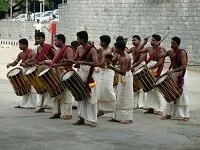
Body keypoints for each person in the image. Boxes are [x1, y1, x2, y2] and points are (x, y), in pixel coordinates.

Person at [43, 34, 74, 120]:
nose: (54, 42)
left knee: (66, 94)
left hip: (65, 73)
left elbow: (70, 62)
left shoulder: (68, 48)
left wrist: (57, 65)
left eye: (55, 40)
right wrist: (48, 62)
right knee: (57, 93)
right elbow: (54, 62)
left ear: (60, 40)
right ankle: (57, 112)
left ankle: (68, 114)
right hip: (57, 73)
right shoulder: (57, 50)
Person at [73, 31, 98, 127]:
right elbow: (75, 59)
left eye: (78, 39)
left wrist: (83, 62)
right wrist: (68, 60)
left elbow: (96, 63)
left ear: (82, 39)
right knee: (81, 94)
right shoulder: (79, 48)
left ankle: (93, 120)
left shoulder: (92, 50)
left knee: (91, 96)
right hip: (82, 72)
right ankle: (81, 118)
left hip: (90, 74)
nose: (77, 40)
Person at [160, 37, 189, 121]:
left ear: (178, 44)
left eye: (174, 44)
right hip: (173, 73)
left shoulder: (182, 52)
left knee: (181, 94)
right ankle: (168, 114)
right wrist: (158, 47)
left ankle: (185, 115)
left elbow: (184, 66)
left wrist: (173, 71)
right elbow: (158, 56)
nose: (172, 45)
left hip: (182, 74)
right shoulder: (170, 52)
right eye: (171, 43)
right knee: (170, 92)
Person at [139, 34, 166, 114]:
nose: (152, 42)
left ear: (158, 42)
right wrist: (144, 42)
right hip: (149, 68)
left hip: (155, 70)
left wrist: (150, 69)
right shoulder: (149, 48)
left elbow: (160, 62)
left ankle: (160, 109)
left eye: (154, 40)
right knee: (150, 88)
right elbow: (138, 50)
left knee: (156, 89)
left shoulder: (161, 50)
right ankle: (151, 108)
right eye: (151, 40)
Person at [108, 41, 133, 124]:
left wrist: (112, 68)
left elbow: (123, 72)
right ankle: (117, 117)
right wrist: (110, 61)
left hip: (126, 77)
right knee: (119, 96)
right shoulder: (119, 54)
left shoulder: (126, 57)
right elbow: (114, 61)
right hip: (121, 77)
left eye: (115, 48)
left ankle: (128, 118)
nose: (114, 49)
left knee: (126, 97)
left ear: (119, 49)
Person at [7, 38, 36, 109]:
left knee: (31, 89)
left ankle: (32, 104)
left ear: (25, 45)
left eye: (20, 45)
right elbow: (15, 62)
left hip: (31, 72)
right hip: (24, 71)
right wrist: (10, 64)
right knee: (25, 87)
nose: (19, 46)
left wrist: (27, 63)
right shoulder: (20, 54)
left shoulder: (32, 52)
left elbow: (35, 62)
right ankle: (23, 104)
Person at [33, 32, 56, 113]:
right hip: (40, 69)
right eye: (37, 38)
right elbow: (36, 58)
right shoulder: (38, 48)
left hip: (48, 70)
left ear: (44, 38)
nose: (38, 40)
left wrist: (48, 62)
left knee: (50, 87)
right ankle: (42, 106)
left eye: (40, 38)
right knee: (42, 87)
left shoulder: (49, 47)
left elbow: (57, 57)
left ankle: (50, 106)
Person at [96, 35, 116, 117]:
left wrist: (91, 63)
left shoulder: (107, 51)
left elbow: (101, 65)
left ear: (104, 42)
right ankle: (101, 110)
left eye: (100, 41)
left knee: (107, 90)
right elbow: (95, 50)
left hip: (108, 71)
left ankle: (114, 107)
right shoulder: (101, 48)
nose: (99, 43)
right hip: (102, 71)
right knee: (100, 91)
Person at [127, 35, 147, 109]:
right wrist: (123, 42)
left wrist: (132, 67)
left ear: (139, 41)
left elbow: (140, 60)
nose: (133, 42)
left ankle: (141, 104)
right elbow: (125, 52)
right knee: (135, 85)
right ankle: (134, 104)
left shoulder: (144, 49)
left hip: (141, 67)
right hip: (134, 66)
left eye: (134, 40)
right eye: (132, 40)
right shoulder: (132, 48)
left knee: (142, 85)